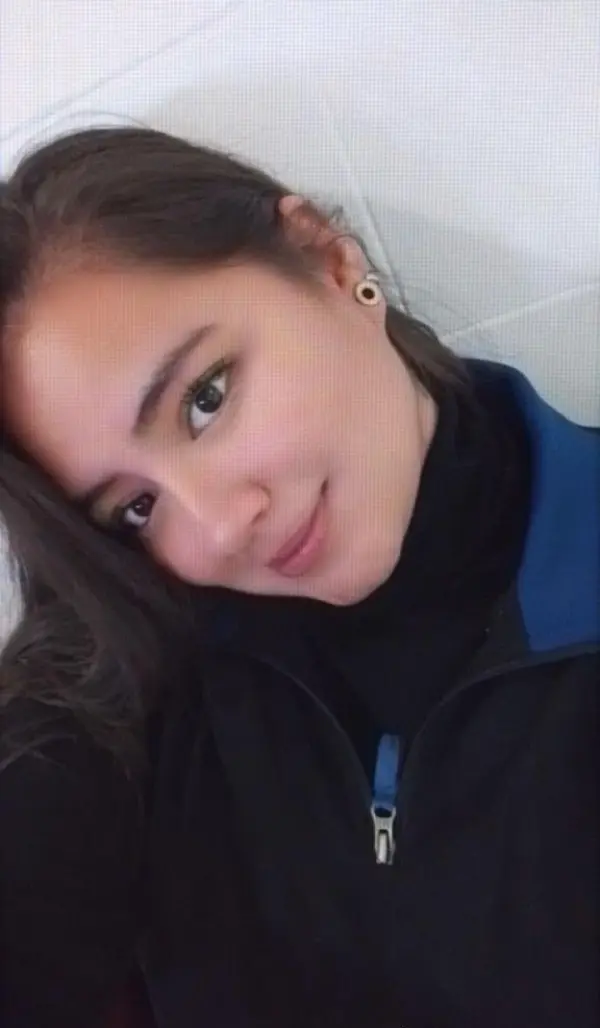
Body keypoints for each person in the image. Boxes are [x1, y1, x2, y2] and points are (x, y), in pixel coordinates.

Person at [0, 127, 597, 1028]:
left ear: (326, 258)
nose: (217, 525)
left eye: (206, 399)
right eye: (137, 507)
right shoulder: (137, 688)